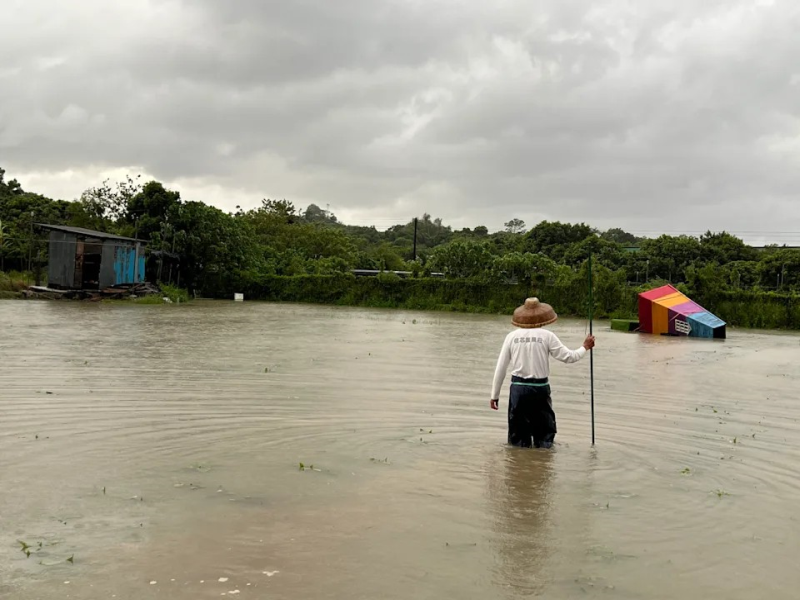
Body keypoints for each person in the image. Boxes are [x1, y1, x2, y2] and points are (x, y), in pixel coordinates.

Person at [490, 297, 595, 448]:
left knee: (518, 438)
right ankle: (542, 464)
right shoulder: (547, 336)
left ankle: (518, 466)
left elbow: (501, 367)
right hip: (540, 390)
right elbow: (569, 357)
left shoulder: (511, 337)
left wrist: (495, 395)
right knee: (544, 436)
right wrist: (585, 347)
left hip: (518, 390)